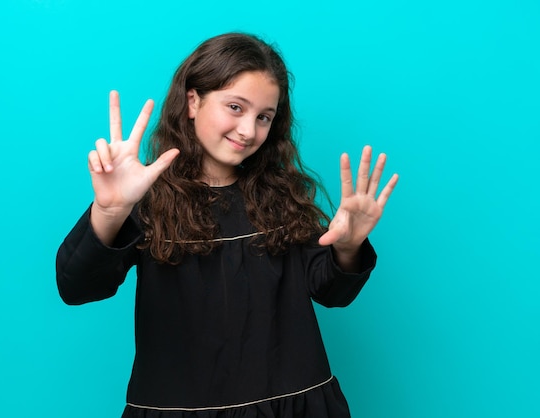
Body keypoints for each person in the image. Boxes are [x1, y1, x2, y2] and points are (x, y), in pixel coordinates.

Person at [56, 32, 398, 417]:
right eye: (235, 107)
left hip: (294, 406)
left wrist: (348, 247)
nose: (248, 130)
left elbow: (331, 291)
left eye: (263, 117)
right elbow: (77, 286)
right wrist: (110, 211)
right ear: (193, 101)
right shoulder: (146, 199)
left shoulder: (282, 198)